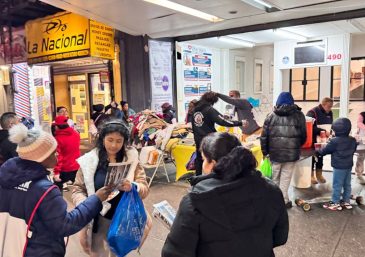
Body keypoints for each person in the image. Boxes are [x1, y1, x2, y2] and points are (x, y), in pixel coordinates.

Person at [162, 132, 289, 257]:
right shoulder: (271, 190)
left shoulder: (195, 201)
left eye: (204, 160)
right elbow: (280, 237)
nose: (203, 166)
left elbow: (174, 253)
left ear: (213, 163)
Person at [0, 123, 113, 257]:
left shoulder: (5, 179)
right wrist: (96, 199)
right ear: (41, 157)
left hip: (12, 248)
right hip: (42, 250)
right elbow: (66, 224)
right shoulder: (45, 190)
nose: (58, 154)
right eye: (53, 152)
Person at [72, 120, 151, 256]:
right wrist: (88, 202)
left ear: (124, 142)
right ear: (102, 139)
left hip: (123, 218)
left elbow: (144, 188)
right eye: (110, 140)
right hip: (98, 219)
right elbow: (77, 189)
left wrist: (133, 186)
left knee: (118, 252)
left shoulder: (131, 160)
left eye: (119, 141)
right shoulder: (89, 162)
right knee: (98, 253)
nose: (114, 145)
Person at [260, 92, 306, 208]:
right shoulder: (299, 115)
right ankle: (284, 200)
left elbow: (264, 137)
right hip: (291, 154)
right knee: (286, 178)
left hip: (275, 154)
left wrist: (265, 152)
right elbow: (304, 136)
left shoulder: (271, 116)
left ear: (278, 102)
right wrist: (296, 146)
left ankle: (273, 201)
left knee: (274, 178)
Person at [192, 92, 247, 176]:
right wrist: (240, 123)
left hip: (198, 139)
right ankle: (212, 180)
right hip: (209, 140)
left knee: (199, 159)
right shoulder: (209, 109)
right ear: (212, 101)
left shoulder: (195, 110)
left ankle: (197, 179)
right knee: (213, 161)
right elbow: (222, 121)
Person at [316, 118, 357, 211]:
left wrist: (318, 151)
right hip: (348, 165)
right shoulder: (352, 140)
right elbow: (353, 148)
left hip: (339, 167)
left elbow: (325, 150)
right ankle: (346, 202)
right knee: (347, 184)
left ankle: (335, 203)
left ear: (336, 130)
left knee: (337, 185)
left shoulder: (334, 141)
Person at [307, 97, 334, 184]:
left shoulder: (330, 113)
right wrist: (322, 131)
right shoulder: (312, 112)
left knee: (321, 155)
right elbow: (309, 127)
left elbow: (331, 124)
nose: (330, 108)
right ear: (323, 104)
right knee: (312, 157)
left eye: (331, 106)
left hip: (323, 139)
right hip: (313, 139)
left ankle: (319, 174)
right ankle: (310, 175)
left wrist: (330, 132)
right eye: (329, 106)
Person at [53, 115, 81, 192]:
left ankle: (58, 203)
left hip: (64, 168)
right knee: (80, 189)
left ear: (57, 126)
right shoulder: (76, 134)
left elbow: (59, 157)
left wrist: (56, 172)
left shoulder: (58, 139)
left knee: (57, 188)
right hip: (76, 166)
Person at [355, 112, 365, 185]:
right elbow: (358, 123)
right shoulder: (362, 114)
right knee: (361, 158)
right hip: (362, 140)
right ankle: (359, 175)